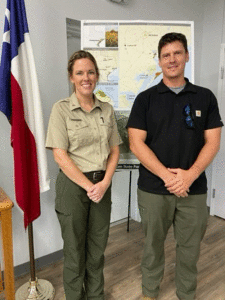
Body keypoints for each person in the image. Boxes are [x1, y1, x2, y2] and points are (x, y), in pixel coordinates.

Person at [127, 32, 223, 300]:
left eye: (177, 53)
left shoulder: (205, 97)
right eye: (166, 55)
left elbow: (213, 143)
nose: (172, 60)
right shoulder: (145, 99)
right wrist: (169, 178)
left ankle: (186, 294)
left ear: (186, 56)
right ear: (159, 61)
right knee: (152, 248)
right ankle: (149, 293)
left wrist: (189, 177)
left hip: (193, 190)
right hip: (154, 190)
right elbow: (136, 143)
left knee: (190, 250)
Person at [46, 50, 121, 300]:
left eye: (90, 72)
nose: (85, 77)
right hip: (73, 187)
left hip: (102, 186)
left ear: (97, 75)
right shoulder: (61, 109)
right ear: (71, 77)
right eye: (79, 73)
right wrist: (90, 186)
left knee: (97, 248)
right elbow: (60, 155)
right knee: (75, 251)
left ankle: (96, 296)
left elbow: (114, 151)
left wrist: (105, 182)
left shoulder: (107, 110)